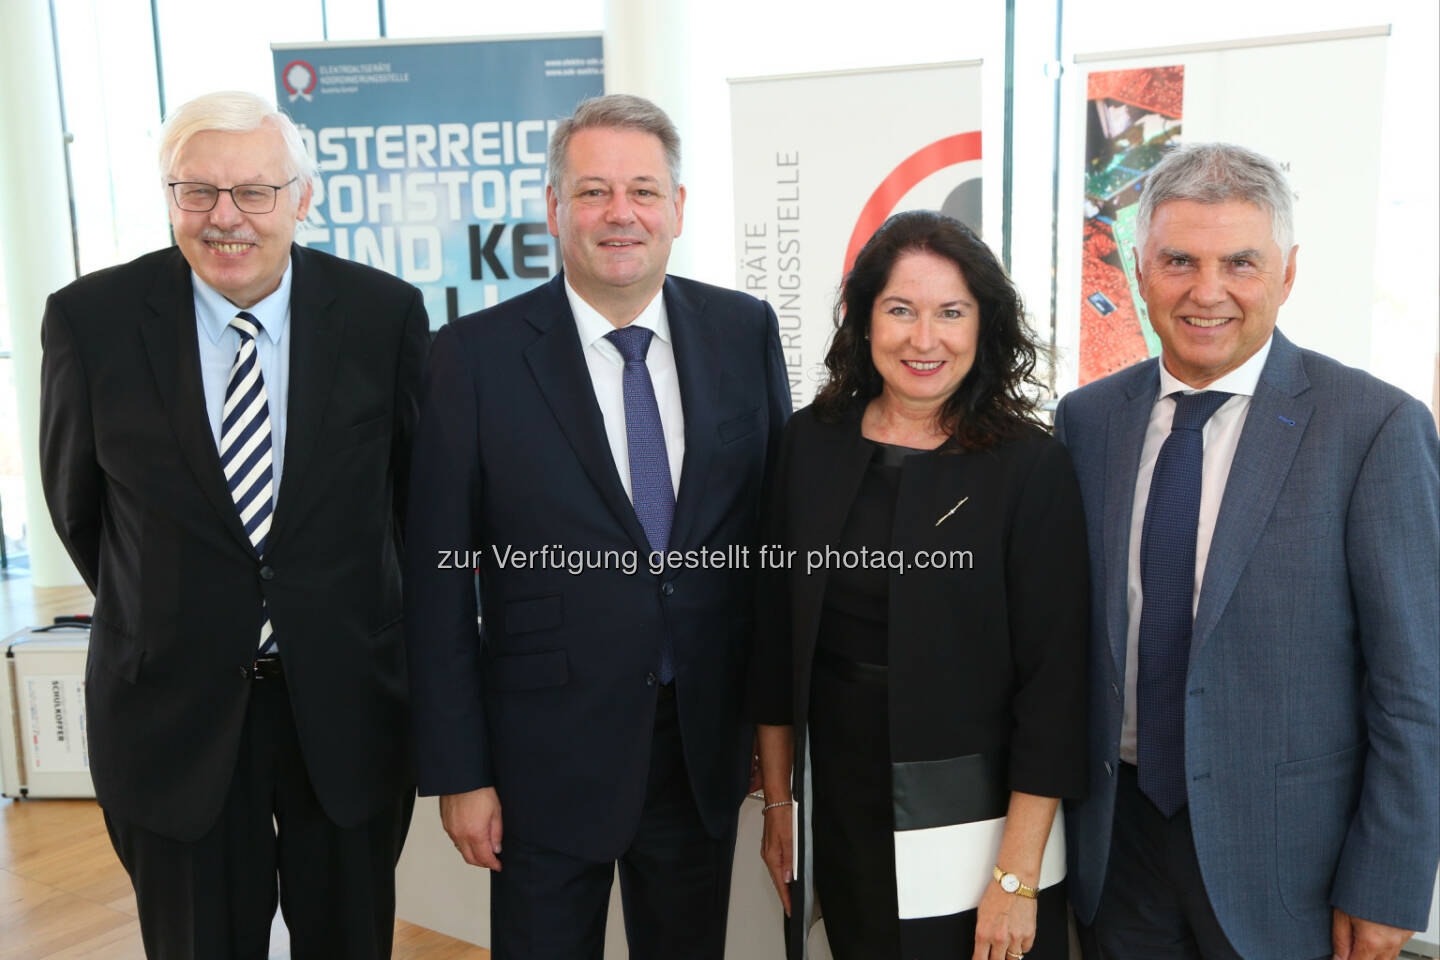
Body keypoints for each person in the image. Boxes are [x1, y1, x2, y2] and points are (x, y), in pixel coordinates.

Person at [38, 91, 428, 958]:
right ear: (170, 197)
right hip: (171, 711)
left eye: (254, 192)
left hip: (347, 705)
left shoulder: (384, 317)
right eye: (197, 192)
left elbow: (409, 505)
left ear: (302, 196)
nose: (227, 219)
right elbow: (81, 511)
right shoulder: (90, 322)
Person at [403, 93, 791, 959]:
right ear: (553, 208)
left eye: (645, 191)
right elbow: (434, 582)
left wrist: (774, 751)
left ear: (679, 208)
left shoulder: (742, 331)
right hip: (541, 755)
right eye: (594, 191)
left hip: (699, 749)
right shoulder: (471, 358)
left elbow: (772, 547)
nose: (622, 214)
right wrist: (461, 772)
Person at [1055, 142, 1440, 960]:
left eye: (1240, 262)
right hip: (1115, 852)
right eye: (1179, 260)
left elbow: (1415, 684)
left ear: (1289, 272)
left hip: (1291, 874)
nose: (1207, 291)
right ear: (1137, 267)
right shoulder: (1085, 423)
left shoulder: (1373, 428)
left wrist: (1387, 880)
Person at [748, 210, 1088, 960]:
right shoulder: (809, 444)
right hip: (841, 798)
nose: (923, 339)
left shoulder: (1031, 468)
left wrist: (1017, 875)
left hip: (984, 818)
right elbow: (774, 643)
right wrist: (781, 805)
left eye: (951, 313)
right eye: (900, 310)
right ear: (864, 320)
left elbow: (1056, 684)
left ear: (984, 326)